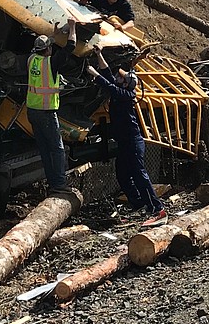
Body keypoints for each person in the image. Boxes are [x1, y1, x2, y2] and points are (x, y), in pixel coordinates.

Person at [85, 47, 167, 228]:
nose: (117, 77)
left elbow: (107, 84)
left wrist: (93, 73)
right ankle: (138, 203)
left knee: (139, 175)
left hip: (132, 141)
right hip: (125, 142)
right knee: (122, 174)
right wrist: (99, 55)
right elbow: (107, 74)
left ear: (124, 83)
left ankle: (157, 208)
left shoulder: (125, 95)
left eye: (120, 77)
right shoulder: (122, 89)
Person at [27, 15, 77, 195]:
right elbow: (70, 47)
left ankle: (52, 182)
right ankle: (59, 183)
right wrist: (72, 28)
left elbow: (45, 48)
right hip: (46, 112)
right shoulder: (51, 63)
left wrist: (54, 36)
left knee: (45, 149)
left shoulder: (31, 59)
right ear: (48, 49)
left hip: (32, 111)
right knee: (57, 149)